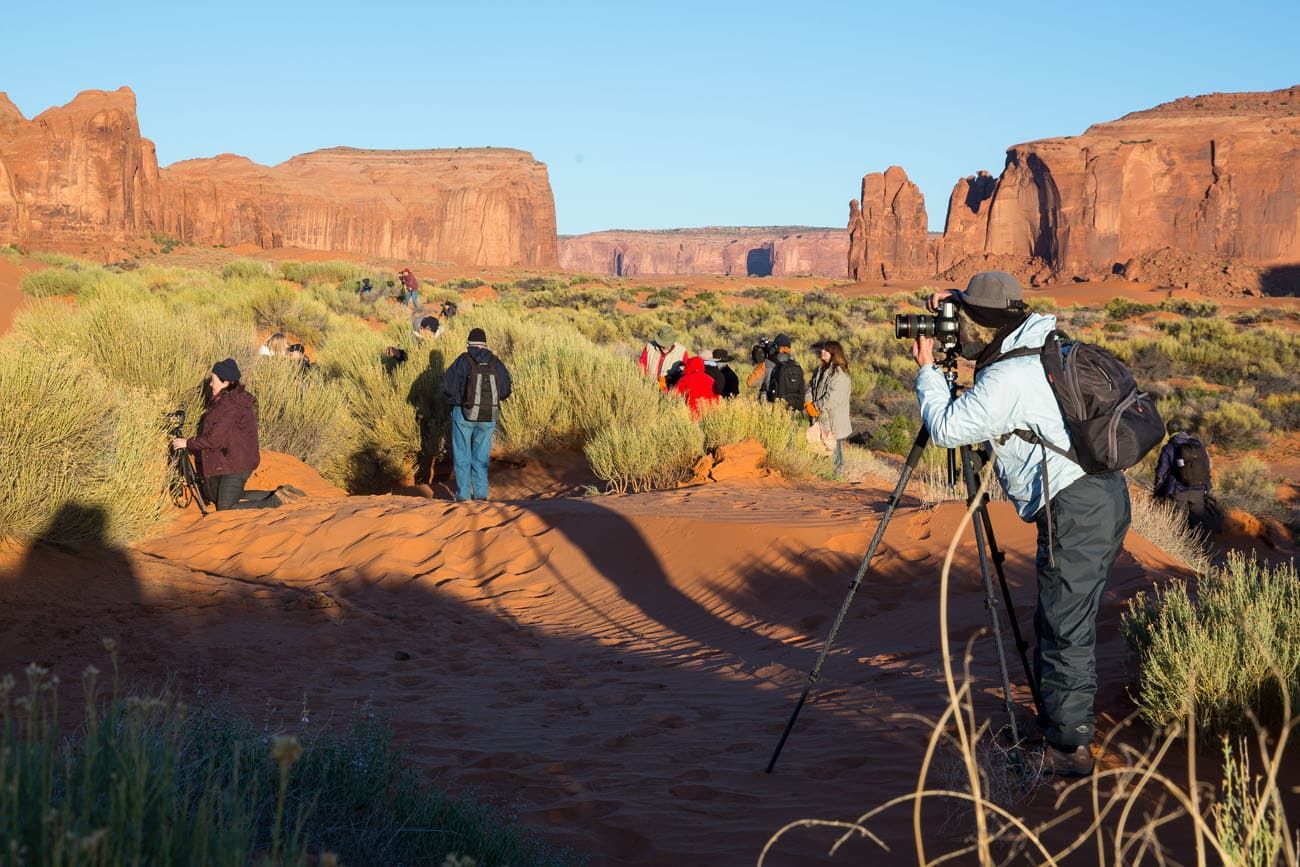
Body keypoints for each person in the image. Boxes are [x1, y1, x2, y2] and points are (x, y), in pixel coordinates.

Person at [910, 271, 1131, 778]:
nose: (959, 330)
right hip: (1097, 497)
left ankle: (1070, 748)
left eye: (966, 318)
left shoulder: (1008, 377)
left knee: (1064, 625)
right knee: (1058, 617)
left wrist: (926, 370)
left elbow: (945, 428)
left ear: (986, 323)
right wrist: (959, 299)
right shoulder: (1039, 342)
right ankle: (1057, 721)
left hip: (1074, 507)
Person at [170, 358, 303, 510]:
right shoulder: (230, 400)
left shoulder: (231, 406)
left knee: (225, 507)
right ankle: (282, 493)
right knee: (226, 496)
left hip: (237, 463)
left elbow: (213, 440)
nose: (211, 384)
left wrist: (187, 443)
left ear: (225, 382)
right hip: (236, 458)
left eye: (214, 381)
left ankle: (276, 502)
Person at [442, 327, 513, 501]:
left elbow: (447, 386)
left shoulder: (462, 360)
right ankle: (481, 494)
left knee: (461, 454)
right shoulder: (496, 362)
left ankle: (463, 495)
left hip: (463, 413)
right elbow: (505, 390)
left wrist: (460, 400)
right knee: (481, 455)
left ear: (469, 343)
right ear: (485, 343)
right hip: (489, 415)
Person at [805, 340, 853, 477]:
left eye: (826, 350)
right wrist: (808, 403)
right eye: (822, 349)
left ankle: (835, 481)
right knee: (818, 450)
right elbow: (810, 387)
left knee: (833, 453)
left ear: (834, 353)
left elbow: (832, 399)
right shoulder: (819, 370)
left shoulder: (840, 375)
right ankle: (821, 478)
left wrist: (815, 406)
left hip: (833, 421)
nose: (822, 352)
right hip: (819, 417)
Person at [1153, 426, 1214, 530]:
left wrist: (1157, 488)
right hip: (1198, 488)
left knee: (1178, 519)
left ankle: (1180, 541)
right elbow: (1207, 466)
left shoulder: (1168, 447)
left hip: (1179, 489)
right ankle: (1200, 543)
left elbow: (1161, 471)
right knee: (1198, 519)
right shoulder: (1198, 445)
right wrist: (1206, 486)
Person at [748, 333, 804, 409]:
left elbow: (750, 382)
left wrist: (761, 362)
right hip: (790, 409)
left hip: (771, 409)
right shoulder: (796, 365)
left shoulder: (767, 364)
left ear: (775, 347)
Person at [638, 326, 691, 391]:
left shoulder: (682, 352)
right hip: (648, 388)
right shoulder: (649, 347)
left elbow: (684, 374)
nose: (665, 347)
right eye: (662, 344)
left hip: (669, 392)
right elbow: (642, 366)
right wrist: (644, 383)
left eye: (667, 344)